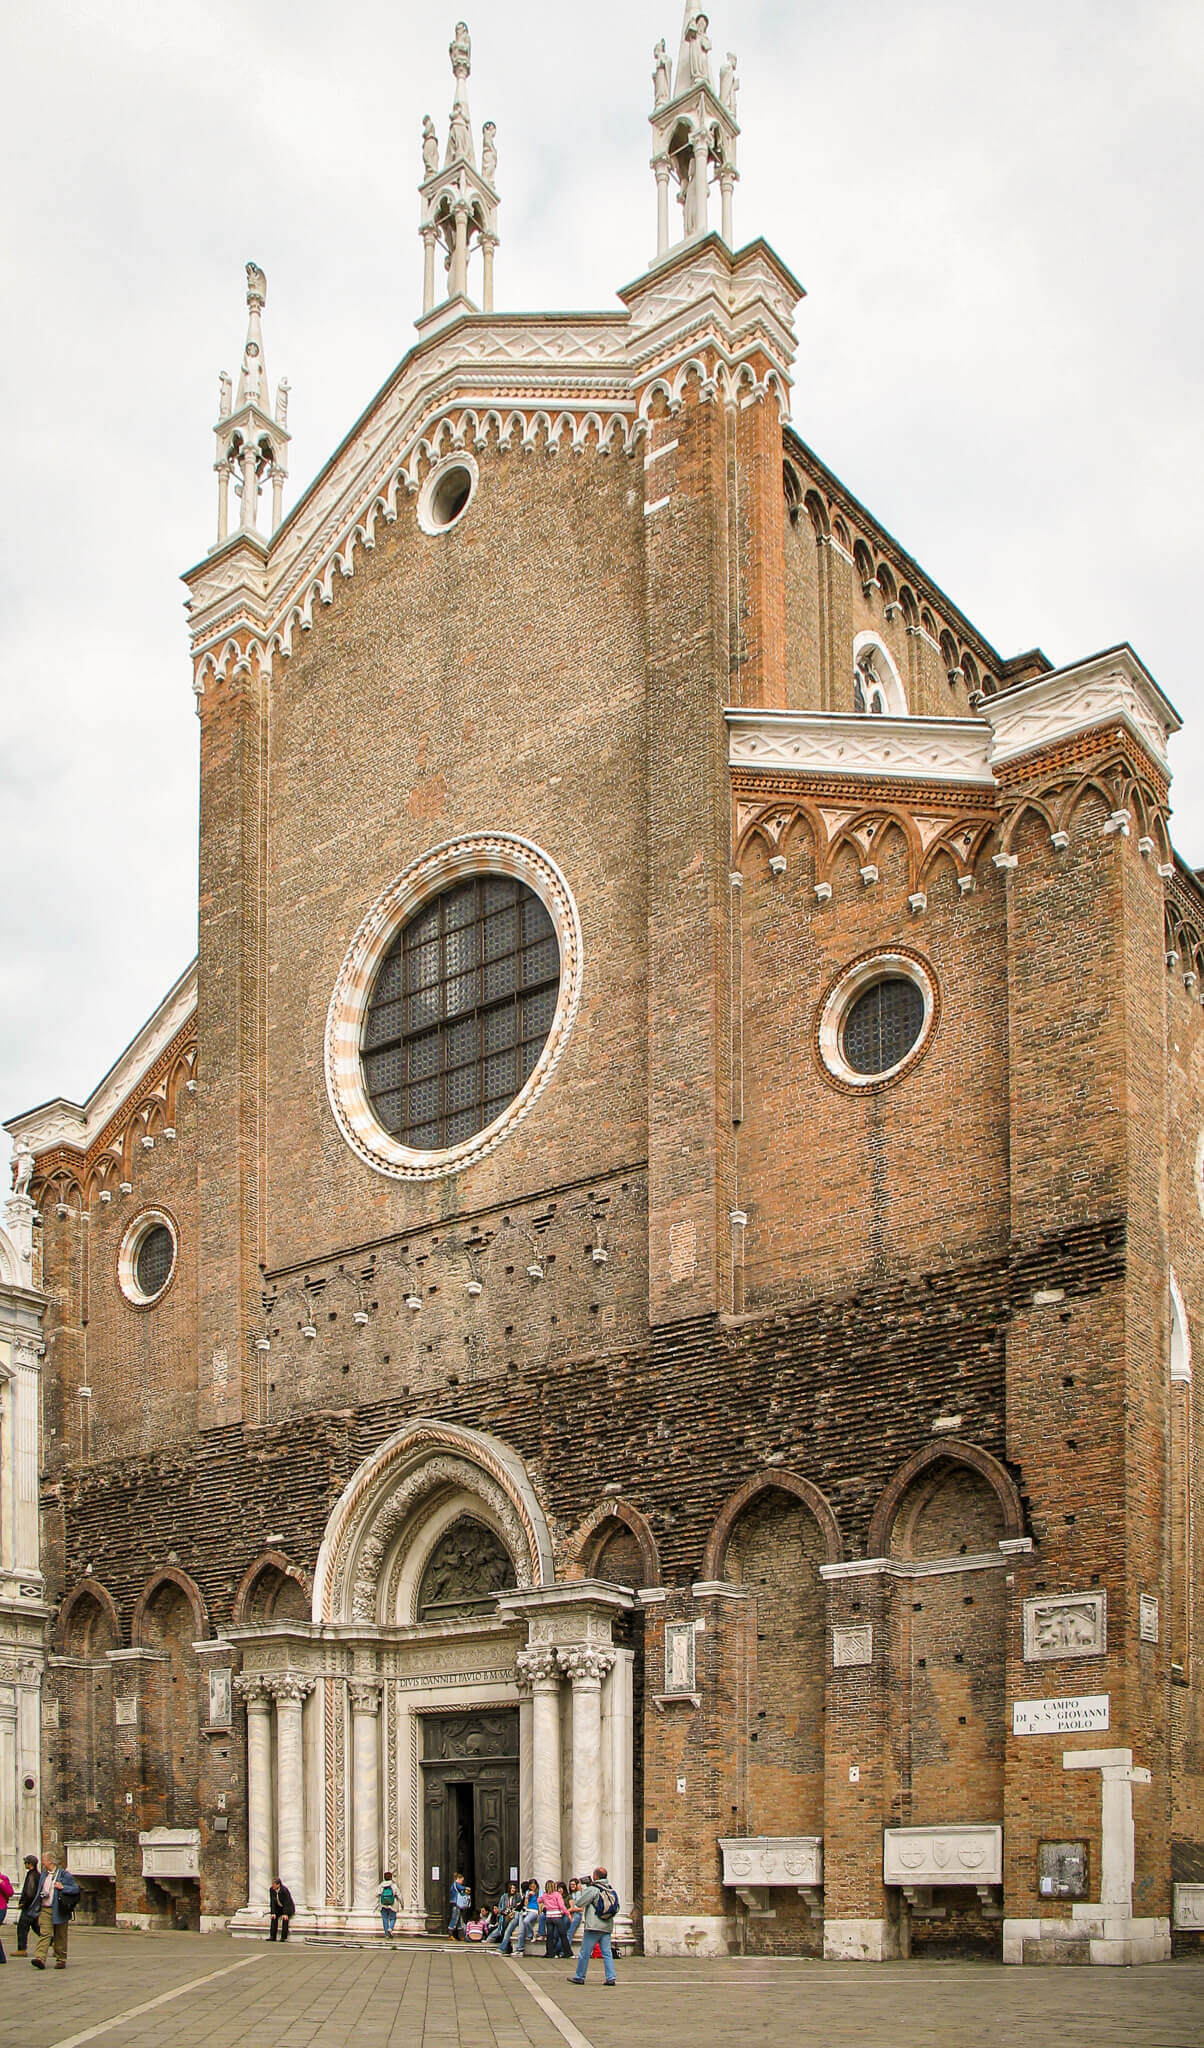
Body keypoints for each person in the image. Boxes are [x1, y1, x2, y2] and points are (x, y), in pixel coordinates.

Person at [567, 1866, 618, 1987]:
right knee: (607, 1953)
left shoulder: (593, 1889)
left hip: (593, 1926)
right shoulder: (610, 1889)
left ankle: (579, 1976)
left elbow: (579, 1903)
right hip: (607, 1926)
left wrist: (581, 1890)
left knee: (585, 1952)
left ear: (595, 1876)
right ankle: (611, 1977)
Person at [31, 1854, 80, 1971]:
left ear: (50, 1862)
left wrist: (63, 1887)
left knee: (60, 1935)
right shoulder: (44, 1875)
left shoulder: (64, 1875)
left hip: (59, 1909)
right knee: (45, 1934)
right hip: (45, 1909)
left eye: (43, 1860)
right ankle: (40, 1958)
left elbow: (75, 1889)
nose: (42, 1863)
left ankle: (61, 1959)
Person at [539, 1879, 571, 1958]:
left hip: (549, 1916)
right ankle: (567, 1953)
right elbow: (561, 1906)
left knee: (550, 1936)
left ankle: (550, 1953)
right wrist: (568, 1914)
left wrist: (541, 1907)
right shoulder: (557, 1895)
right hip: (557, 1916)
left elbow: (539, 1900)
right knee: (563, 1935)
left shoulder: (544, 1895)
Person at [16, 1856, 40, 1955]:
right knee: (36, 1927)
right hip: (34, 1906)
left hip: (29, 1906)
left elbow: (30, 1893)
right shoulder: (37, 1875)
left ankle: (22, 1949)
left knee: (22, 1927)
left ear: (30, 1864)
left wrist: (23, 1903)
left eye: (26, 1862)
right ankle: (53, 1942)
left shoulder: (32, 1875)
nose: (25, 1864)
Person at [268, 1875, 295, 1941]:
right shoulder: (271, 1890)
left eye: (274, 1884)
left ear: (278, 1885)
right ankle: (272, 1936)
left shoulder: (284, 1890)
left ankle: (283, 1937)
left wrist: (285, 1913)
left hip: (288, 1908)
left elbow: (287, 1902)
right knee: (274, 1918)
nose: (273, 1886)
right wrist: (273, 1912)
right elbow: (272, 1902)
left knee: (285, 1919)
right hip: (279, 1908)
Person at [448, 1869, 470, 1940]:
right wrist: (466, 1888)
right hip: (456, 1904)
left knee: (459, 1920)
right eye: (461, 1880)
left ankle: (461, 1936)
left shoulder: (454, 1886)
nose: (462, 1882)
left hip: (457, 1904)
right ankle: (450, 1934)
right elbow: (461, 1888)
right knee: (455, 1918)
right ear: (458, 1879)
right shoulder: (456, 1885)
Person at [377, 1869, 398, 1936]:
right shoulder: (394, 1885)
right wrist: (402, 1904)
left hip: (383, 1904)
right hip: (392, 1904)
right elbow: (399, 1894)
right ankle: (390, 1928)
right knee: (393, 1918)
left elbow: (377, 1893)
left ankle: (387, 1934)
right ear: (391, 1877)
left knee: (385, 1918)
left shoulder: (381, 1885)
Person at [0, 1867, 12, 1962]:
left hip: (1, 1908)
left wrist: (1, 1883)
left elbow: (10, 1892)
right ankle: (1, 1957)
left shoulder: (3, 1878)